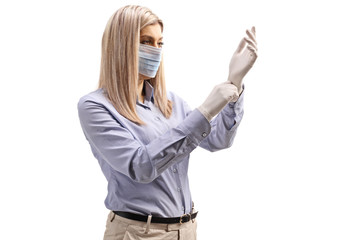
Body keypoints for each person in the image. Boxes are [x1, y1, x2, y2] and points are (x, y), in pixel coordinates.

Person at [77, 5, 257, 240]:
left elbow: (218, 139)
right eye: (146, 41)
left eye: (160, 43)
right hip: (139, 233)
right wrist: (204, 111)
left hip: (186, 229)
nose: (155, 50)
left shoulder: (169, 102)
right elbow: (141, 166)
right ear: (121, 45)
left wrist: (235, 84)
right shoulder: (96, 107)